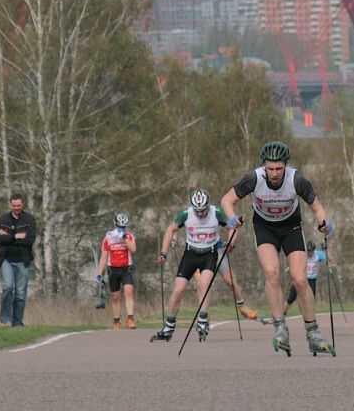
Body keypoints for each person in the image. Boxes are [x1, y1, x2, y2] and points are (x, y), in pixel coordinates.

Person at [221, 140, 334, 355]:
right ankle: (280, 327)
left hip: (291, 228)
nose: (274, 173)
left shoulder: (296, 179)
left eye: (278, 169)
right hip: (264, 228)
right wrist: (232, 218)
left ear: (286, 166)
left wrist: (324, 224)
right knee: (272, 272)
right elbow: (227, 200)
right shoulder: (253, 178)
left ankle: (313, 332)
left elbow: (317, 208)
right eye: (270, 168)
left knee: (300, 279)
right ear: (264, 165)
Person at [151, 188, 230, 343]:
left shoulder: (217, 213)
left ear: (208, 205)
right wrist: (163, 253)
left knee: (204, 284)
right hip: (191, 254)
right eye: (197, 211)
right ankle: (168, 327)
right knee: (178, 289)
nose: (200, 214)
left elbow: (232, 226)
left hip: (210, 253)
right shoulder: (186, 214)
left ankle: (202, 321)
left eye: (203, 210)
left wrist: (232, 242)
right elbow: (170, 229)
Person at [0, 193, 37, 327]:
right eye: (14, 205)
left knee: (21, 293)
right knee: (7, 286)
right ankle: (5, 319)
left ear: (22, 204)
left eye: (19, 205)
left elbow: (30, 239)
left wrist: (9, 237)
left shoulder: (29, 219)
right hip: (7, 259)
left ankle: (17, 322)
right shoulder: (4, 219)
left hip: (23, 261)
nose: (16, 208)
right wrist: (17, 236)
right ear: (10, 205)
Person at [97, 213, 137, 330]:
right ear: (115, 224)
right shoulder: (108, 236)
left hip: (126, 268)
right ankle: (116, 321)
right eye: (120, 226)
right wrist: (99, 274)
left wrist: (124, 238)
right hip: (113, 269)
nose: (121, 229)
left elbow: (133, 249)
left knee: (129, 291)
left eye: (123, 227)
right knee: (115, 296)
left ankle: (130, 318)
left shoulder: (129, 236)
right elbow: (104, 256)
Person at [283, 240, 327, 316]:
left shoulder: (317, 255)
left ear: (314, 250)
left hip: (312, 279)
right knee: (291, 297)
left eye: (311, 251)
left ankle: (308, 315)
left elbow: (329, 258)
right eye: (308, 251)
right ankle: (283, 313)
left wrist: (325, 249)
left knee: (310, 299)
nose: (309, 253)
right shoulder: (302, 254)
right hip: (301, 278)